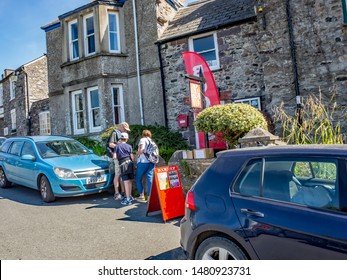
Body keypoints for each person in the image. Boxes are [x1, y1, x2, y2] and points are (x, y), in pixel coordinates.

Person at [108, 122, 131, 200]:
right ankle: (117, 193)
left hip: (121, 157)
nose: (126, 131)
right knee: (117, 174)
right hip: (117, 157)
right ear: (121, 127)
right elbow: (110, 144)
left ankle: (123, 192)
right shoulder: (115, 133)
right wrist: (120, 147)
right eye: (125, 129)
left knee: (122, 175)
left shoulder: (121, 134)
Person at [114, 132, 134, 206]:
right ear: (127, 139)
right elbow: (132, 156)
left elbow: (114, 157)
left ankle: (128, 199)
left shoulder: (117, 146)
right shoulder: (129, 146)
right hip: (130, 163)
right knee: (130, 180)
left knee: (125, 181)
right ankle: (130, 196)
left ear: (120, 138)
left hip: (123, 164)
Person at [135, 130, 156, 200]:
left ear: (143, 134)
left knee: (138, 178)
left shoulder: (142, 140)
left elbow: (142, 150)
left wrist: (136, 153)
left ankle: (141, 195)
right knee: (150, 179)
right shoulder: (152, 141)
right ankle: (150, 197)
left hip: (143, 161)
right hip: (151, 161)